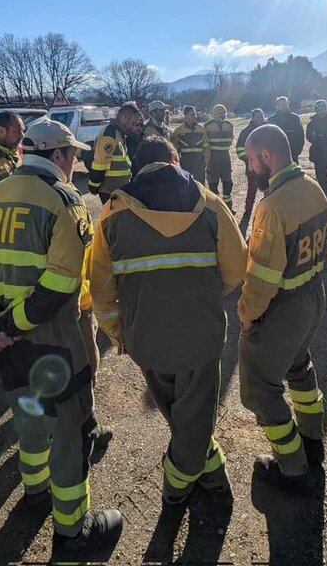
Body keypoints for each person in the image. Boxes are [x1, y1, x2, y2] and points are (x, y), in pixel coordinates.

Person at [0, 118, 123, 558]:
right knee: (70, 433)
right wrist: (7, 327)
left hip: (6, 345)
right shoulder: (64, 200)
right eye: (74, 156)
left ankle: (34, 493)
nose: (76, 164)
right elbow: (60, 286)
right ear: (59, 155)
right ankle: (72, 533)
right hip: (55, 341)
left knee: (26, 414)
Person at [91, 137, 247, 504]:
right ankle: (177, 487)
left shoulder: (112, 212)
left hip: (145, 337)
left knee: (183, 416)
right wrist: (207, 293)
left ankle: (205, 472)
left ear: (138, 166)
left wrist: (120, 331)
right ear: (175, 159)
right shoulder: (209, 202)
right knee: (194, 415)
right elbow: (238, 267)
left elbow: (99, 286)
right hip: (201, 333)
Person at [238, 125, 327, 489]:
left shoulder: (272, 207)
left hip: (282, 309)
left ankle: (292, 467)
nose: (248, 169)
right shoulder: (314, 188)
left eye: (250, 160)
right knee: (300, 368)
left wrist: (247, 315)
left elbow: (261, 279)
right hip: (312, 296)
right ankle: (312, 442)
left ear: (266, 157)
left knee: (260, 389)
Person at [89, 102, 142, 204]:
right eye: (133, 123)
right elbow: (100, 164)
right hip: (110, 192)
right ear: (124, 117)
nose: (134, 127)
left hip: (119, 190)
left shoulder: (119, 133)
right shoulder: (110, 134)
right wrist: (93, 186)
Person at [235, 108, 267, 234]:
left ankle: (267, 212)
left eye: (262, 115)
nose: (260, 118)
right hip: (252, 167)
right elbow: (239, 149)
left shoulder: (269, 130)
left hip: (266, 167)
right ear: (252, 118)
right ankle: (247, 213)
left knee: (268, 190)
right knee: (252, 190)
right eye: (257, 116)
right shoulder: (246, 131)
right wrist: (249, 160)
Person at [204, 104, 235, 212]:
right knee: (213, 184)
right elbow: (205, 143)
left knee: (228, 183)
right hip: (213, 158)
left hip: (225, 157)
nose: (223, 115)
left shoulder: (229, 125)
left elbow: (231, 139)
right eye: (220, 113)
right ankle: (215, 209)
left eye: (224, 113)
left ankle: (228, 208)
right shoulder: (207, 126)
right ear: (214, 114)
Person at [171, 105, 208, 183]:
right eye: (192, 114)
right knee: (185, 184)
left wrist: (205, 161)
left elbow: (206, 147)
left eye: (195, 114)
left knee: (200, 185)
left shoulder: (201, 129)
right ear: (185, 115)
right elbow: (173, 149)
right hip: (185, 162)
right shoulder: (178, 131)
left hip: (199, 161)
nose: (195, 116)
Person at [268, 96, 304, 163]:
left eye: (285, 104)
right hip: (277, 152)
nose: (284, 106)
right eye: (282, 105)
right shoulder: (272, 120)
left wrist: (298, 149)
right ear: (277, 106)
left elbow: (300, 135)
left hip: (293, 151)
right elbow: (269, 137)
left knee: (293, 172)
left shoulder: (295, 118)